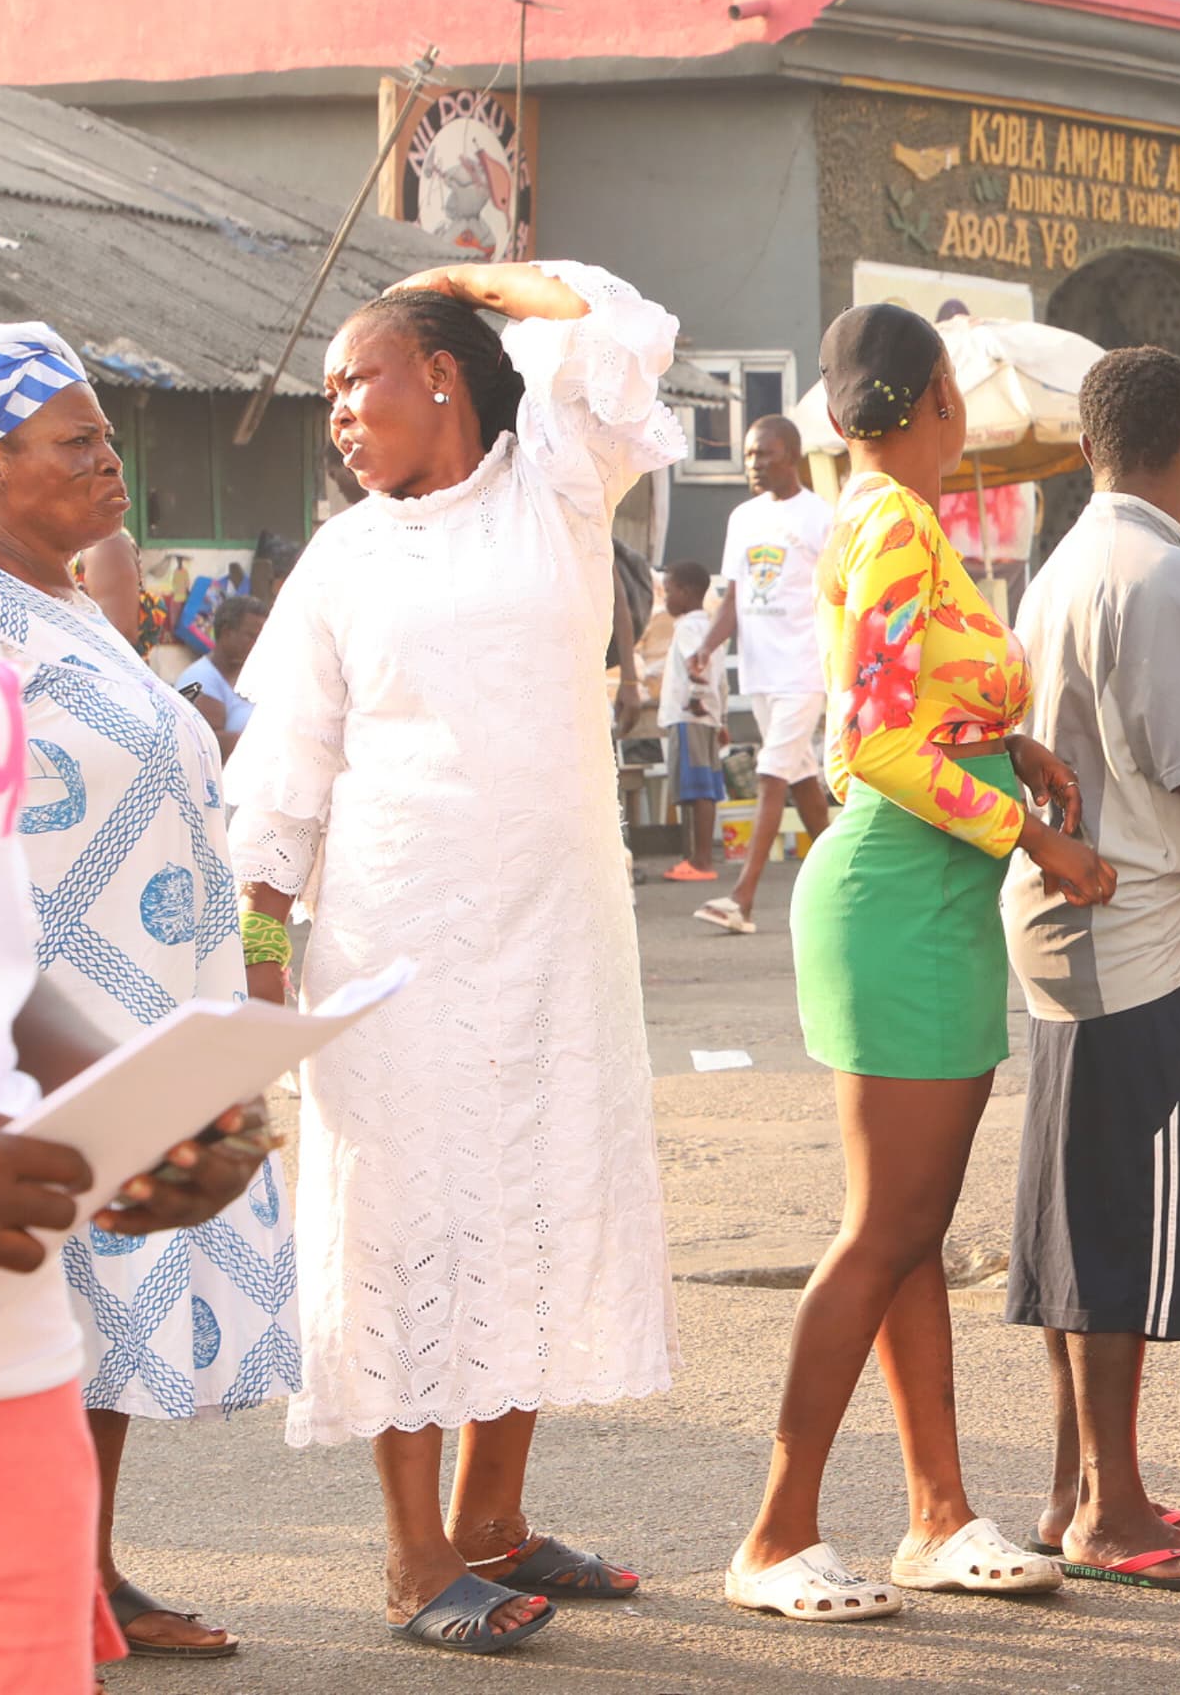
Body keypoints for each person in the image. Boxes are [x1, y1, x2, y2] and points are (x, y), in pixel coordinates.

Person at [228, 261, 686, 1654]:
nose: (337, 419)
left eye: (352, 379)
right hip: (393, 942)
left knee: (534, 1201)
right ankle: (416, 1557)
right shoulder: (343, 559)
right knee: (409, 1221)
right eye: (325, 400)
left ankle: (496, 1517)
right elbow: (277, 798)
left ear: (439, 372)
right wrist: (257, 987)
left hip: (557, 932)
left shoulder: (557, 480)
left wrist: (463, 281)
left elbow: (625, 323)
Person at [729, 304, 1112, 1621]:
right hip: (900, 892)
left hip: (924, 895)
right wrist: (1036, 835)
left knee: (913, 1234)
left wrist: (1019, 754)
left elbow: (919, 716)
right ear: (939, 397)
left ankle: (937, 1513)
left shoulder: (898, 520)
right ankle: (777, 1532)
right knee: (881, 1231)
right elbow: (881, 748)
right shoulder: (892, 520)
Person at [0, 322, 301, 1662]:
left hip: (89, 1014)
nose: (109, 464)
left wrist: (129, 1087)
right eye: (75, 443)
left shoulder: (66, 620)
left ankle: (85, 1575)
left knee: (88, 1302)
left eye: (110, 439)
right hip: (74, 994)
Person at [1000, 346, 1180, 1593]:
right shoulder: (1160, 570)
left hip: (1072, 924)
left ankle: (1080, 1488)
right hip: (1141, 926)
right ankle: (1111, 1503)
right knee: (1120, 1222)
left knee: (1074, 1211)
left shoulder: (1066, 559)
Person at [691, 414, 835, 935]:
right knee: (801, 782)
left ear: (790, 457)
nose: (753, 464)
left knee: (772, 772)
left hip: (803, 670)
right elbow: (733, 597)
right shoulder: (743, 518)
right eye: (749, 455)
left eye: (763, 455)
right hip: (760, 673)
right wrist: (707, 647)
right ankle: (847, 885)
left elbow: (839, 595)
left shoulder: (821, 518)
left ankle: (742, 899)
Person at [657, 561, 727, 883]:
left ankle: (700, 861)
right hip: (708, 716)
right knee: (706, 787)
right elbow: (720, 677)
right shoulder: (713, 627)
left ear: (685, 594)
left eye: (669, 591)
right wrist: (721, 716)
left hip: (690, 714)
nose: (666, 598)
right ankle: (698, 857)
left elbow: (695, 666)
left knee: (696, 788)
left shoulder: (687, 627)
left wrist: (697, 700)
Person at [174, 594, 266, 760]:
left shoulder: (255, 673)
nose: (258, 644)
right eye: (251, 636)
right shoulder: (198, 680)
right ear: (226, 632)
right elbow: (206, 743)